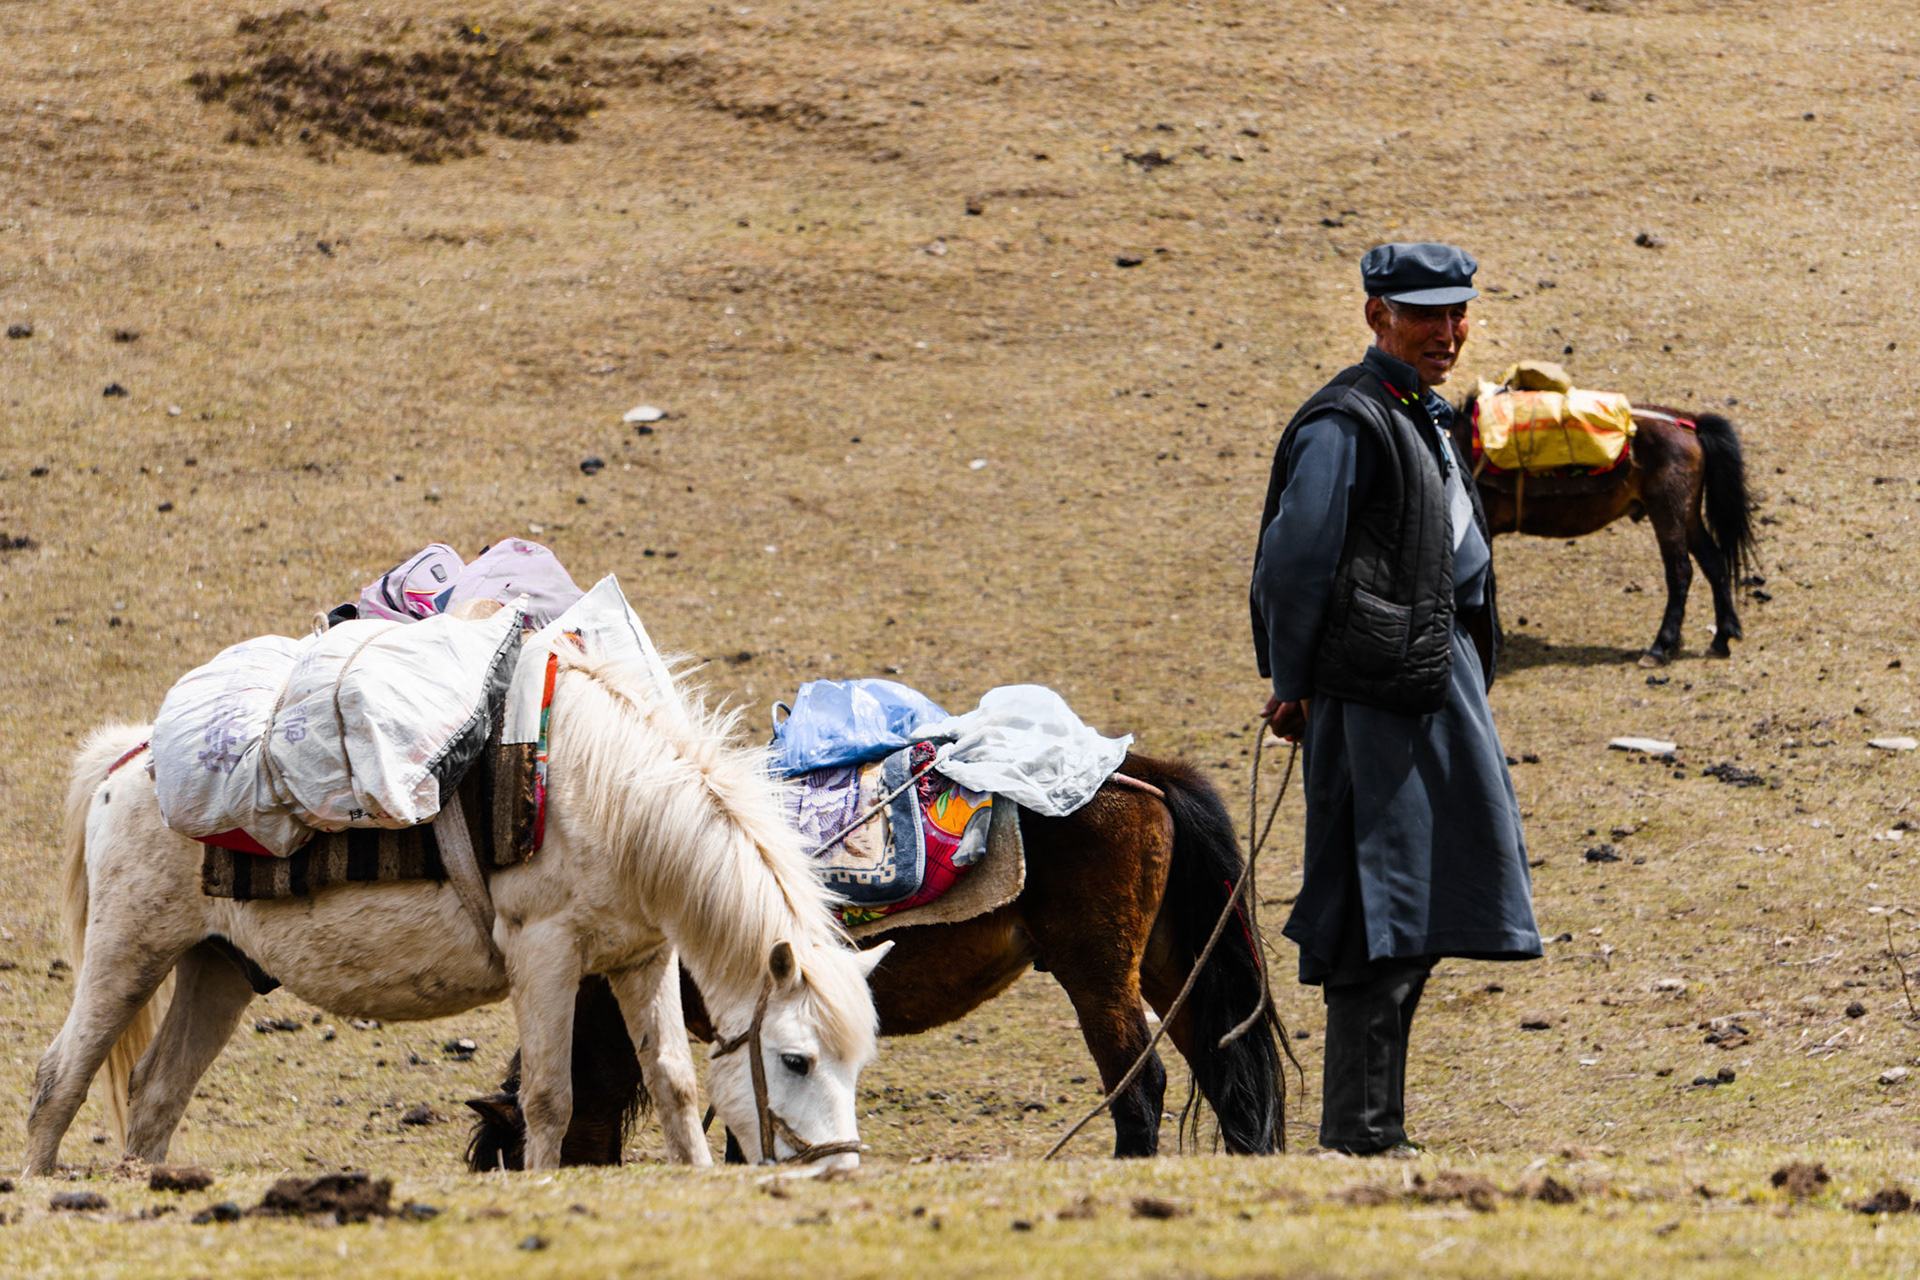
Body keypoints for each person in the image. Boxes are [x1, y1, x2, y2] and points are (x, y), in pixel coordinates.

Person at [1249, 242, 1542, 1156]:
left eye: (1458, 312)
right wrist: (1294, 684)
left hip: (1429, 683)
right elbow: (1295, 563)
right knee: (1385, 907)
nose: (1447, 331)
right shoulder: (1348, 421)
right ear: (1377, 315)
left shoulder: (1421, 414)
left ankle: (1371, 1131)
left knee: (1410, 908)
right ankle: (1364, 1136)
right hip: (1380, 693)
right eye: (1424, 314)